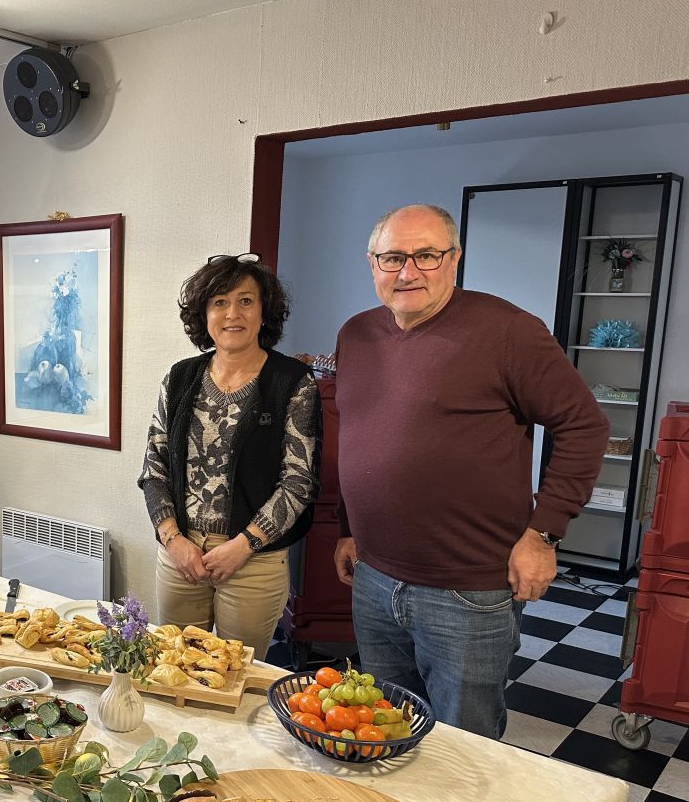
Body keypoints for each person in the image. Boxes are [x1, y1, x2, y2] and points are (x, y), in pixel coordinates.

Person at [332, 204, 608, 740]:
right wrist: (348, 527)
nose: (408, 271)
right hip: (374, 578)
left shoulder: (508, 332)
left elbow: (584, 425)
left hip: (468, 591)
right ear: (372, 263)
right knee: (380, 731)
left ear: (454, 259)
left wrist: (543, 534)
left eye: (426, 255)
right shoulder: (356, 335)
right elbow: (360, 437)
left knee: (464, 747)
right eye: (393, 257)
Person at [139, 253, 321, 653]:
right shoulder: (180, 377)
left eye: (245, 301)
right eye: (219, 302)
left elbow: (299, 481)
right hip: (181, 556)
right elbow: (154, 468)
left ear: (264, 311)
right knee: (175, 669)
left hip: (253, 563)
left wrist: (244, 545)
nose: (232, 313)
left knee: (240, 675)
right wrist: (173, 540)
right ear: (204, 313)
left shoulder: (292, 383)